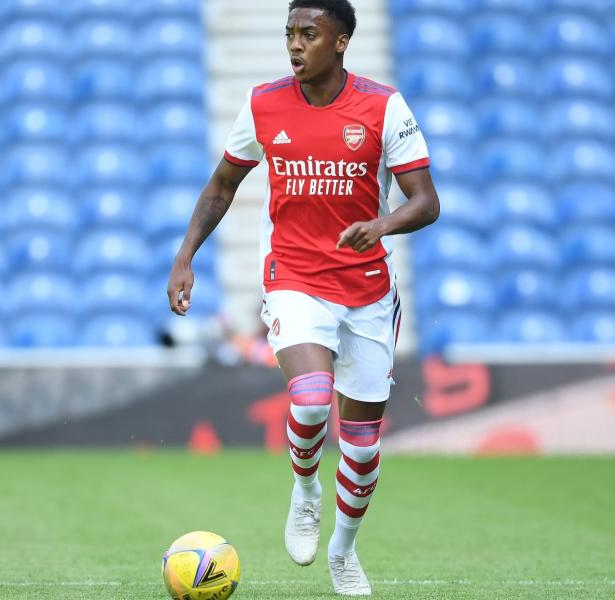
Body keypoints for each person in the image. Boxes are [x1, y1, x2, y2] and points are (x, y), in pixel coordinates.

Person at [167, 1, 439, 595]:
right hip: (294, 277)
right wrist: (185, 257)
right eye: (289, 33)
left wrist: (382, 226)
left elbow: (426, 201)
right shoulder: (264, 104)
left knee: (363, 445)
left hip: (367, 289)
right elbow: (222, 185)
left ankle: (343, 551)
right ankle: (306, 488)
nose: (295, 45)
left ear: (340, 42)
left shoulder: (383, 106)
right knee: (312, 400)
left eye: (308, 34)